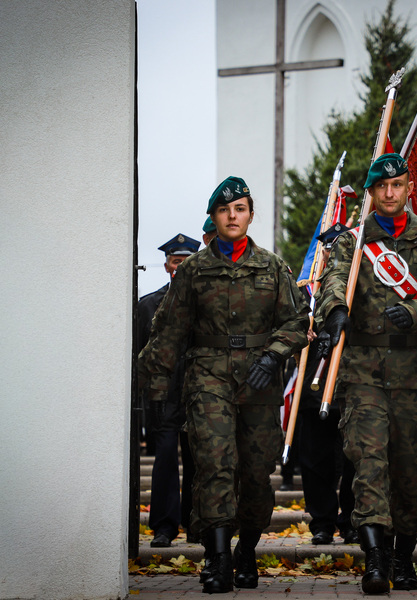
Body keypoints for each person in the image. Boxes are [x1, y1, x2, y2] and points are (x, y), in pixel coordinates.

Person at [138, 176, 310, 594]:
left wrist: (272, 355)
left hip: (259, 380)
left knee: (254, 473)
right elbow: (169, 333)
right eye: (223, 211)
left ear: (250, 214)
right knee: (215, 465)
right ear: (214, 218)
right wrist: (154, 391)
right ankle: (216, 559)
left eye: (240, 210)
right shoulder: (194, 270)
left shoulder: (272, 267)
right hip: (208, 376)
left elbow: (298, 321)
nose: (232, 217)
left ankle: (245, 550)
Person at [315, 153, 417, 594]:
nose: (391, 193)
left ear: (408, 189)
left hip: (415, 376)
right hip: (363, 376)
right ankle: (375, 559)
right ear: (372, 193)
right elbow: (334, 280)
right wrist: (336, 310)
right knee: (369, 464)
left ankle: (403, 555)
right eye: (383, 187)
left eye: (398, 185)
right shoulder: (353, 242)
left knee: (411, 468)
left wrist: (415, 312)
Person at [137, 233, 201, 548]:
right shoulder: (147, 306)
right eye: (177, 261)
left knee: (196, 459)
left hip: (196, 394)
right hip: (161, 397)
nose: (181, 267)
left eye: (188, 262)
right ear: (166, 266)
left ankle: (194, 522)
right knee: (164, 459)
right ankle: (164, 526)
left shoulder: (206, 307)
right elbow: (138, 357)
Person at [297, 225, 357, 546]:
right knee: (316, 455)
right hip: (317, 380)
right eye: (328, 247)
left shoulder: (360, 283)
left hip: (352, 379)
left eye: (338, 246)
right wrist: (300, 331)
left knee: (353, 455)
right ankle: (321, 521)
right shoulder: (307, 287)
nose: (332, 251)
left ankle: (349, 518)